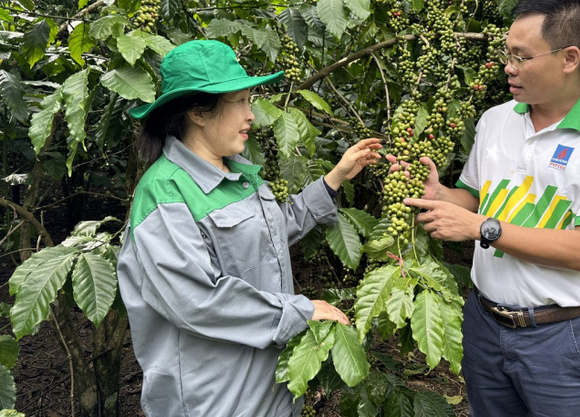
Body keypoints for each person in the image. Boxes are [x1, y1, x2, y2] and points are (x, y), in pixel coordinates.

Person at [395, 0, 580, 416]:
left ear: (569, 58)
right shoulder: (495, 120)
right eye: (506, 55)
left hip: (560, 336)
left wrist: (482, 230)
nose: (507, 68)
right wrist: (441, 196)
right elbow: (476, 198)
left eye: (521, 57)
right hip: (484, 323)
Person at [117, 39, 382, 417]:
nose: (251, 115)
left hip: (270, 389)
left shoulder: (239, 174)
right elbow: (196, 300)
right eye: (240, 102)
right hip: (215, 399)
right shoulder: (165, 192)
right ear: (198, 112)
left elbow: (269, 236)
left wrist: (333, 180)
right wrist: (298, 312)